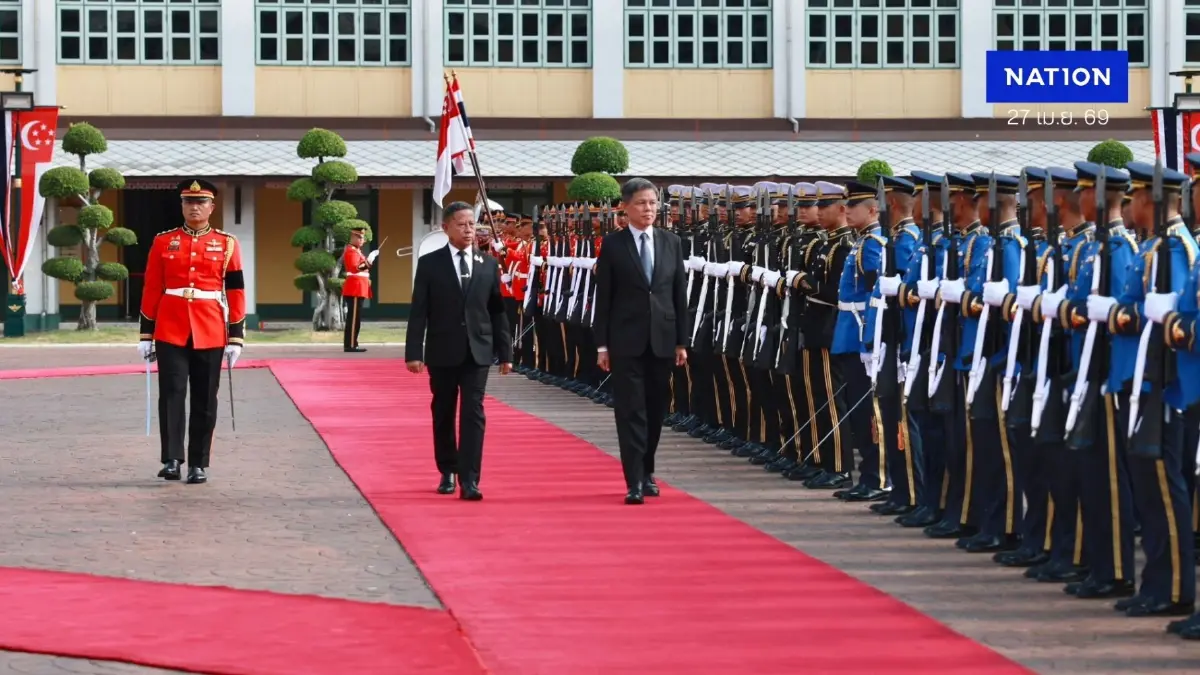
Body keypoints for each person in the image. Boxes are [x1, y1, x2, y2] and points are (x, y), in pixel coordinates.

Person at [138, 179, 245, 485]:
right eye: (188, 202)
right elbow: (152, 287)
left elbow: (235, 289)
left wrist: (235, 335)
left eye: (200, 202)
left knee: (205, 399)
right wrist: (146, 334)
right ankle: (172, 459)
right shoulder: (163, 241)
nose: (194, 207)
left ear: (212, 207)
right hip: (170, 327)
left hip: (210, 328)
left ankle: (198, 463)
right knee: (171, 394)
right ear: (181, 206)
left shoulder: (227, 244)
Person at [404, 201, 512, 501]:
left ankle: (470, 478)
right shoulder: (430, 263)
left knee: (473, 412)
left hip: (478, 350)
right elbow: (419, 312)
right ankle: (447, 470)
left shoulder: (488, 263)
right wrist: (414, 351)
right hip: (442, 349)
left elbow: (497, 311)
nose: (469, 230)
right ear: (446, 227)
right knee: (443, 410)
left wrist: (506, 353)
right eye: (462, 224)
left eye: (472, 225)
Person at [593, 177, 689, 505]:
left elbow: (678, 294)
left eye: (652, 203)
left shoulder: (671, 242)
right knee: (630, 410)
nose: (648, 209)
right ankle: (633, 479)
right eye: (641, 203)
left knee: (655, 408)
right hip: (625, 341)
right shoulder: (613, 245)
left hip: (662, 339)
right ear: (625, 207)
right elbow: (603, 298)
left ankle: (648, 469)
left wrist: (681, 341)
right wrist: (602, 345)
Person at [342, 225, 377, 353]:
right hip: (355, 288)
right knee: (353, 319)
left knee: (355, 318)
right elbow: (355, 268)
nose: (363, 240)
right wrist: (369, 260)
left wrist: (368, 261)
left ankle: (352, 343)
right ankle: (351, 345)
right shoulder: (351, 251)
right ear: (353, 237)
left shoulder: (356, 251)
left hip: (358, 288)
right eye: (360, 238)